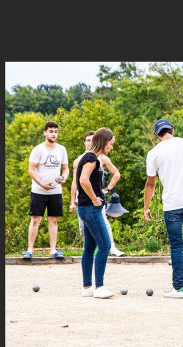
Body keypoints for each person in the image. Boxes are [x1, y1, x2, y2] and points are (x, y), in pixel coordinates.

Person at [144, 118, 183, 298]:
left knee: (176, 247)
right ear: (172, 129)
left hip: (171, 205)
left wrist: (146, 207)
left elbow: (150, 184)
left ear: (157, 134)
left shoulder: (154, 153)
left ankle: (179, 288)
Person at [69, 131, 125, 256]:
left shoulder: (102, 158)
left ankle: (112, 247)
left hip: (96, 199)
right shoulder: (81, 160)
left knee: (104, 224)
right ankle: (90, 252)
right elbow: (77, 181)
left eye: (92, 140)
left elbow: (116, 174)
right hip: (85, 200)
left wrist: (107, 190)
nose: (90, 142)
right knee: (84, 229)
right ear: (84, 142)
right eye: (88, 140)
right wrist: (72, 201)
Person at [76, 127, 116, 299]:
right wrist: (94, 198)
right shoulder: (91, 158)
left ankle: (87, 287)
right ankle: (99, 287)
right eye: (111, 144)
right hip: (90, 208)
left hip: (86, 208)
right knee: (105, 245)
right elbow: (83, 180)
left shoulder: (91, 158)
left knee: (90, 248)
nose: (112, 147)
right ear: (104, 141)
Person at [22, 121, 69, 259]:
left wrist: (64, 178)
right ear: (45, 132)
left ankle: (53, 250)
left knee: (53, 219)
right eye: (51, 131)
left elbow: (65, 168)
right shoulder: (38, 149)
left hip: (55, 191)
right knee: (36, 219)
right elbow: (31, 170)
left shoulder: (61, 149)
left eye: (55, 131)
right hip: (39, 190)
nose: (53, 134)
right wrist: (42, 184)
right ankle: (30, 250)